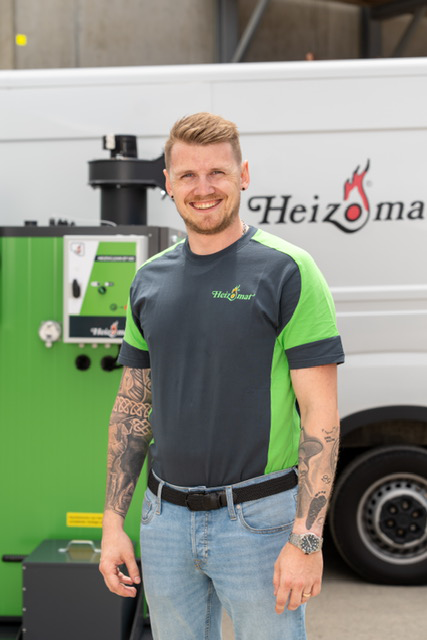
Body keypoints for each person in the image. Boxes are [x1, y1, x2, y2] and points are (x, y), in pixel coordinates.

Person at [99, 112, 344, 640]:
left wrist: (306, 540)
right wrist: (113, 524)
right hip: (164, 521)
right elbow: (133, 409)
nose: (203, 188)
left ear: (244, 175)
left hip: (259, 520)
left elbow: (320, 417)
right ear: (168, 182)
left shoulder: (288, 270)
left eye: (218, 173)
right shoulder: (149, 280)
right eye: (187, 175)